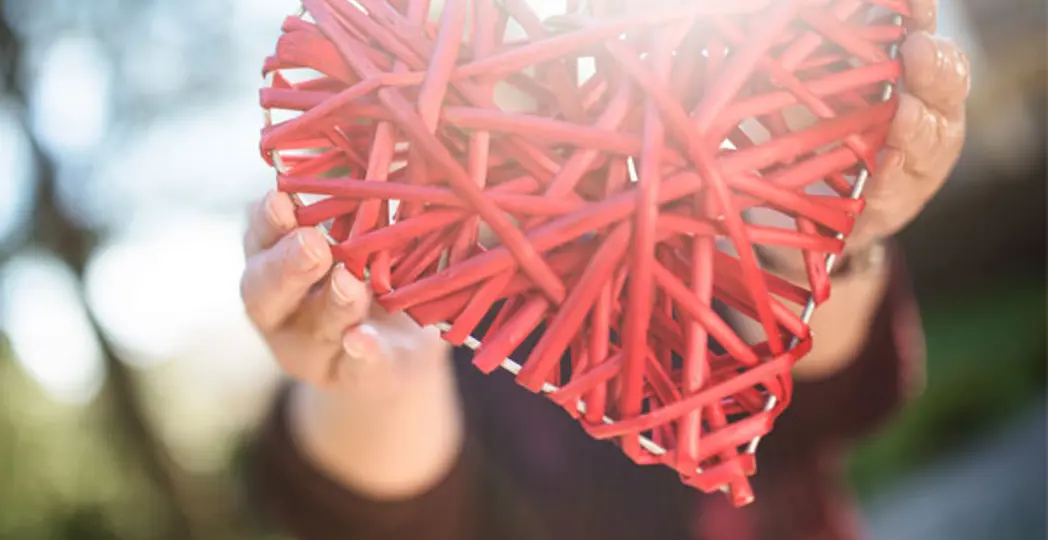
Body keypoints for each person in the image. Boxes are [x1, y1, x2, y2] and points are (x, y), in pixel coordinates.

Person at [239, 4, 971, 538]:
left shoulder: (695, 165)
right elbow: (385, 517)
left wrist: (826, 228)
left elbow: (837, 401)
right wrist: (379, 382)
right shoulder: (398, 269)